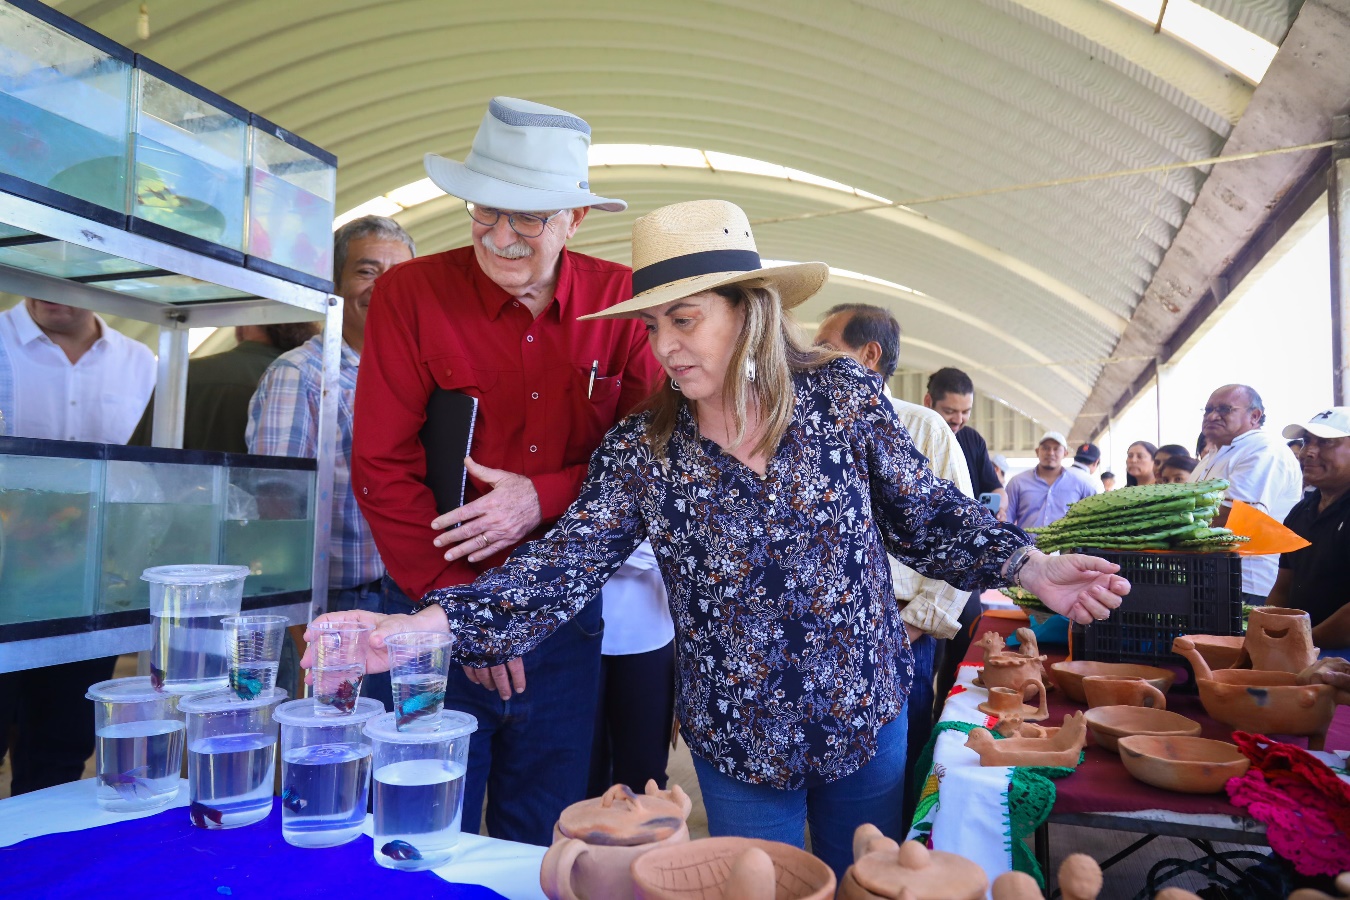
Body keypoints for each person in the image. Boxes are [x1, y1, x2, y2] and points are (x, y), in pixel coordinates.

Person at [307, 199, 1129, 879]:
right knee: (752, 885)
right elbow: (560, 568)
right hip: (738, 743)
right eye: (653, 325)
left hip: (863, 717)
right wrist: (426, 628)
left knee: (867, 881)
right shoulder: (645, 448)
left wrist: (1030, 563)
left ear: (750, 310)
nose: (664, 346)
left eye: (685, 320)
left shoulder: (840, 398)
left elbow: (925, 512)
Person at [350, 97, 662, 845]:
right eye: (486, 212)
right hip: (432, 598)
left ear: (574, 219)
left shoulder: (622, 301)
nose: (501, 236)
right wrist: (465, 614)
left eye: (529, 218)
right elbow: (380, 463)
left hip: (561, 613)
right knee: (417, 826)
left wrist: (542, 495)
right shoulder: (410, 294)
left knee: (540, 831)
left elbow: (653, 459)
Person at [248, 215, 415, 707]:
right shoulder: (301, 374)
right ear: (336, 286)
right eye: (367, 271)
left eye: (398, 274)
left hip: (399, 604)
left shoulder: (412, 371)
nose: (383, 286)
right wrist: (304, 629)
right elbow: (276, 508)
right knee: (333, 754)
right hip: (335, 610)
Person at [812, 302, 975, 798]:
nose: (812, 359)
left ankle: (897, 868)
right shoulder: (808, 426)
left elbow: (959, 536)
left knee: (895, 772)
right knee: (833, 767)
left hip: (902, 630)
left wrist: (910, 624)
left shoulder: (922, 428)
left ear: (869, 354)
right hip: (827, 636)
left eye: (825, 348)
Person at [0, 297, 155, 794]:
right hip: (3, 576)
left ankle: (38, 860)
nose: (54, 288)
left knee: (62, 743)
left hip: (88, 580)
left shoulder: (140, 361)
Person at [128, 323, 317, 452]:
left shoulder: (184, 375)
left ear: (244, 322)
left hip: (185, 508)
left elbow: (137, 465)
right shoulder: (312, 381)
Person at [1192, 384, 1303, 603]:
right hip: (1212, 577)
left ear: (1254, 416)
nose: (1212, 416)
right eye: (1208, 410)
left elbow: (1233, 517)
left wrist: (1165, 525)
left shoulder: (1262, 449)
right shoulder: (1214, 454)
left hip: (1247, 583)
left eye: (1224, 409)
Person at [588, 540, 675, 796]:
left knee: (645, 776)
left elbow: (666, 544)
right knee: (580, 773)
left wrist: (596, 548)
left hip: (650, 633)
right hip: (572, 635)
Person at [1267, 409, 1350, 658]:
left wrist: (1299, 643)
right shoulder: (1302, 511)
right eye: (1307, 441)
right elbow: (1283, 587)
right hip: (1303, 648)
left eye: (1325, 442)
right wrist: (1266, 631)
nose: (1308, 452)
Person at [924, 367, 1005, 511]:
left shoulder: (973, 439)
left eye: (966, 412)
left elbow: (996, 489)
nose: (958, 420)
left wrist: (1001, 508)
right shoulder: (912, 438)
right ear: (928, 401)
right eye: (949, 411)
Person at [1004, 432, 1099, 529]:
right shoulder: (1017, 482)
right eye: (1045, 448)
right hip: (1027, 544)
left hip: (1066, 544)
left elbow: (1094, 519)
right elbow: (1006, 520)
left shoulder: (1081, 484)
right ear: (1037, 451)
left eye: (1056, 449)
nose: (1050, 453)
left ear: (1065, 453)